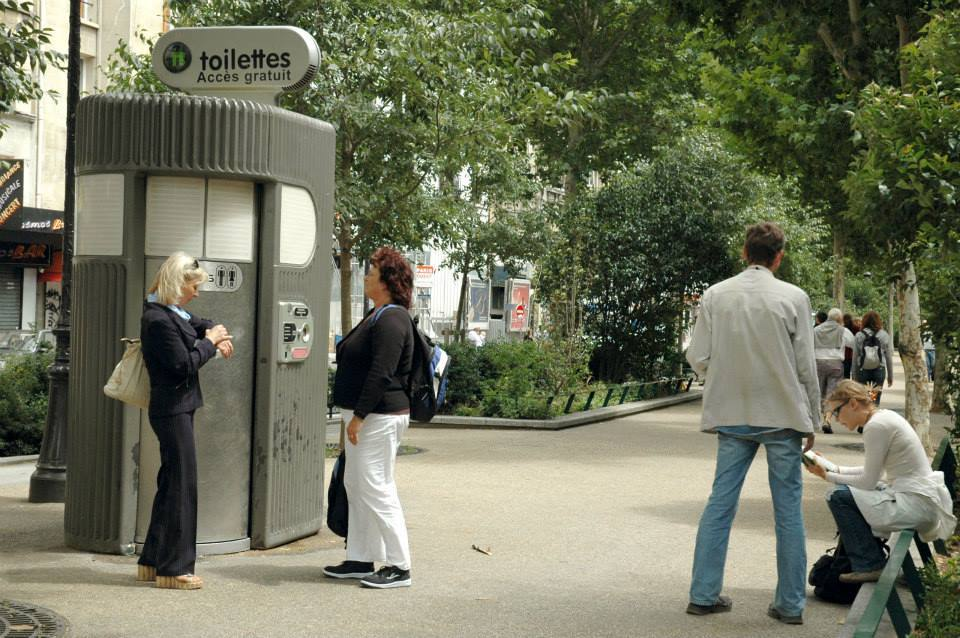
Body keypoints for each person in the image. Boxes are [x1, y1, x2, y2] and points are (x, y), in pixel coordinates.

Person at [685, 222, 820, 626]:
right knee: (788, 510)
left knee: (720, 504)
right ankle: (790, 604)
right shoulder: (794, 298)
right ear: (779, 256)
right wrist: (813, 416)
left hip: (732, 413)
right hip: (781, 415)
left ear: (744, 253)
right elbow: (804, 366)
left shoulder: (716, 295)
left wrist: (719, 378)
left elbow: (697, 355)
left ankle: (703, 594)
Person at [138, 253, 233, 590]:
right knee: (182, 488)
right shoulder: (159, 320)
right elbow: (182, 365)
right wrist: (209, 344)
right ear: (178, 285)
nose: (197, 293)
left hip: (176, 408)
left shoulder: (169, 311)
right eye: (194, 286)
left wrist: (214, 333)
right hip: (173, 409)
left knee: (170, 484)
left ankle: (152, 561)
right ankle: (174, 569)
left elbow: (199, 321)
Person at [805, 380, 956, 582]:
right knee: (847, 492)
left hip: (916, 505)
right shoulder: (883, 418)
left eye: (837, 412)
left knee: (837, 496)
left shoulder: (875, 426)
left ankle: (870, 564)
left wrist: (827, 476)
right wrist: (832, 467)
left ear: (852, 404)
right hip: (920, 501)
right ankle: (870, 561)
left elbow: (868, 481)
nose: (836, 420)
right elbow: (875, 473)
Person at [326, 246, 415, 589]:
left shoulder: (393, 318)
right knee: (357, 485)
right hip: (369, 416)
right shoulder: (378, 313)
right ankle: (361, 557)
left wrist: (359, 416)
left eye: (371, 272)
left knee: (376, 487)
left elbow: (382, 371)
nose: (365, 277)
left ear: (387, 281)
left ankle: (399, 565)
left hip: (379, 417)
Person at [814, 308, 855, 434]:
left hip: (818, 362)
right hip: (835, 364)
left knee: (818, 391)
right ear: (839, 319)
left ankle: (816, 420)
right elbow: (853, 344)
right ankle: (827, 419)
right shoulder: (843, 330)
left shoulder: (816, 330)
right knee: (831, 393)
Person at [852, 311, 894, 405]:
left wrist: (854, 376)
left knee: (863, 399)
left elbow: (855, 357)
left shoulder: (859, 335)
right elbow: (888, 357)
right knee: (874, 399)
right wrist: (890, 376)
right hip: (879, 370)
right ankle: (873, 415)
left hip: (862, 370)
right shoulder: (884, 335)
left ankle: (865, 417)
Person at [842, 313, 859, 379]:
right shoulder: (856, 328)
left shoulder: (842, 329)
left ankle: (846, 387)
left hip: (844, 354)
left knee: (846, 374)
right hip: (853, 354)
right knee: (854, 373)